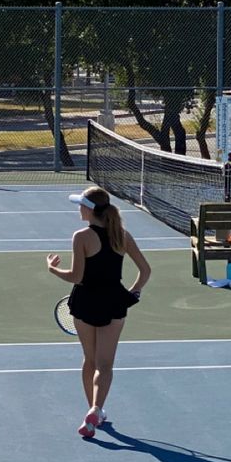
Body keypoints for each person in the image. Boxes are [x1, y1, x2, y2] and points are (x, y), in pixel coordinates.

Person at [46, 186, 151, 439]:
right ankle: (96, 409)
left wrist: (52, 269)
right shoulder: (122, 235)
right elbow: (145, 271)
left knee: (89, 360)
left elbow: (76, 276)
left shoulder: (81, 237)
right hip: (114, 302)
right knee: (105, 365)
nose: (78, 209)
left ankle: (93, 412)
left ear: (89, 210)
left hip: (84, 303)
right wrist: (133, 293)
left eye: (81, 205)